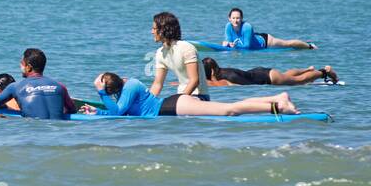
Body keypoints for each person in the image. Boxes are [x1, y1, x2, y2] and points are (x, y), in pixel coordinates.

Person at [92, 72, 299, 117]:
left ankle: (279, 108)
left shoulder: (128, 88)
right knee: (230, 105)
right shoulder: (124, 89)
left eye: (99, 82)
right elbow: (119, 110)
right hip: (173, 104)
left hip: (171, 107)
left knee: (229, 110)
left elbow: (117, 114)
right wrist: (98, 110)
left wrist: (101, 96)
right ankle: (277, 98)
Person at [0, 48, 83, 119]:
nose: (20, 66)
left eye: (22, 63)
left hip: (33, 133)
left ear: (28, 67)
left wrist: (6, 107)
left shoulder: (15, 87)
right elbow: (72, 110)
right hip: (57, 132)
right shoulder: (60, 86)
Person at [149, 11, 210, 108]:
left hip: (199, 97)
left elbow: (194, 80)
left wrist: (180, 100)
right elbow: (157, 84)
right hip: (181, 97)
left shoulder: (186, 48)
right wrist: (147, 103)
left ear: (163, 30)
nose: (152, 32)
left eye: (154, 28)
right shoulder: (160, 53)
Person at [203, 57, 339, 87]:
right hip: (260, 72)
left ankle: (324, 72)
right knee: (286, 75)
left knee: (298, 81)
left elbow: (210, 84)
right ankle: (307, 69)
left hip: (269, 78)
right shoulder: (224, 71)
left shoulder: (223, 80)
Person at [222, 7, 315, 50]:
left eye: (238, 18)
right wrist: (227, 44)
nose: (235, 20)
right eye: (233, 18)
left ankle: (309, 46)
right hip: (255, 38)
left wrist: (235, 47)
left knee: (288, 44)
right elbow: (229, 42)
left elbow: (247, 46)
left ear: (241, 18)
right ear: (229, 18)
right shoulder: (228, 26)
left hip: (265, 41)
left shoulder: (247, 27)